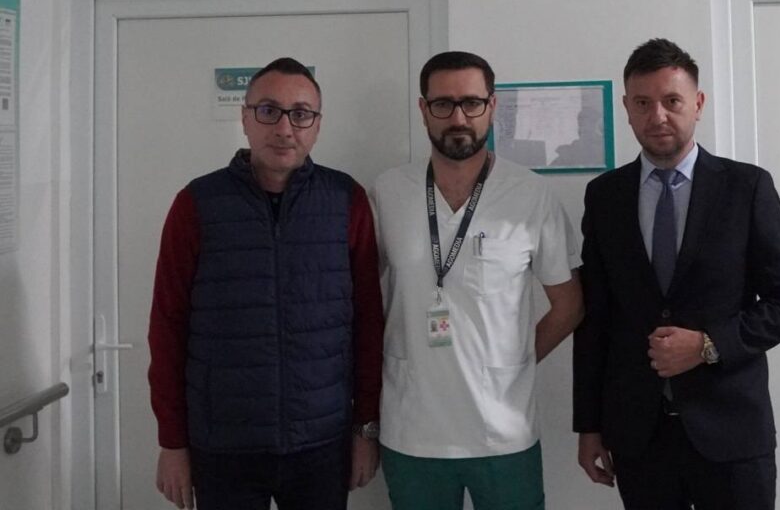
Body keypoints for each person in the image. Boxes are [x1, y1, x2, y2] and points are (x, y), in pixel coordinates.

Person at [573, 39, 780, 510]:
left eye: (672, 101)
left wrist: (707, 346)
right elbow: (595, 317)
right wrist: (590, 426)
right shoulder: (605, 196)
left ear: (697, 104)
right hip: (639, 435)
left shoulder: (746, 188)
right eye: (643, 103)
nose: (657, 116)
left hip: (732, 432)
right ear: (626, 108)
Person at [148, 57, 384, 510]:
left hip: (322, 441)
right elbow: (167, 325)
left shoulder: (346, 201)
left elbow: (368, 325)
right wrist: (172, 443)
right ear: (245, 117)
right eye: (268, 111)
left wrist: (364, 429)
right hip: (224, 445)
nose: (284, 127)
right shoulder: (196, 204)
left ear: (317, 125)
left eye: (301, 114)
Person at [370, 51, 584, 510]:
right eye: (443, 104)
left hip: (504, 432)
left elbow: (569, 305)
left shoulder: (530, 194)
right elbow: (359, 301)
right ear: (423, 109)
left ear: (492, 106)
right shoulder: (388, 192)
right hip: (412, 433)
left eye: (472, 102)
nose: (458, 117)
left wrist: (516, 359)